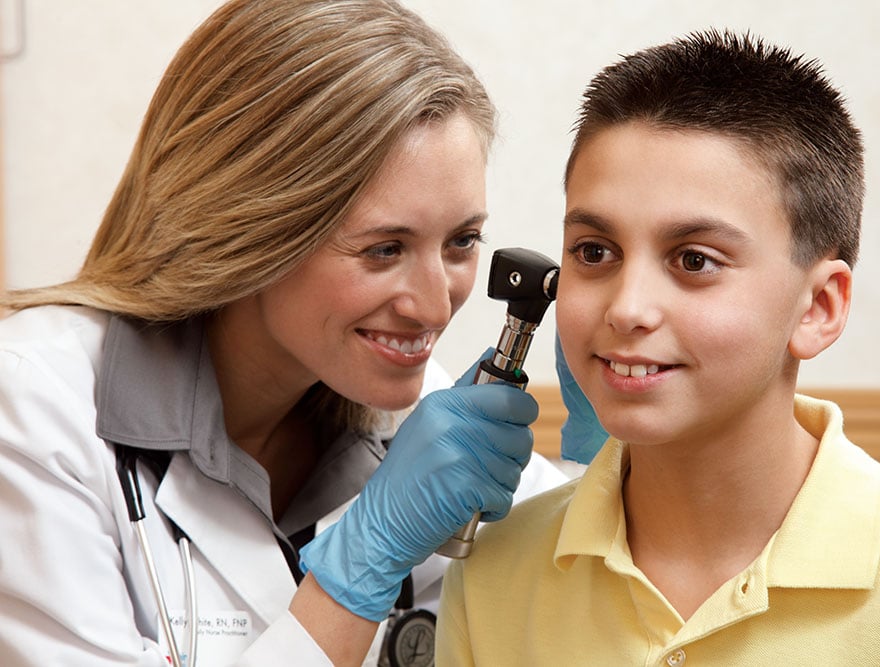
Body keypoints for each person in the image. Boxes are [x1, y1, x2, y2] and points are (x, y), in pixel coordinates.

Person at [0, 1, 566, 665]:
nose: (435, 306)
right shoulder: (36, 414)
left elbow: (601, 572)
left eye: (462, 241)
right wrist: (361, 563)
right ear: (251, 229)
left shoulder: (419, 418)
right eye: (384, 249)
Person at [437, 30, 880, 665]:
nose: (626, 308)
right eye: (594, 252)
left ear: (819, 307)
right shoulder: (492, 580)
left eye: (694, 260)